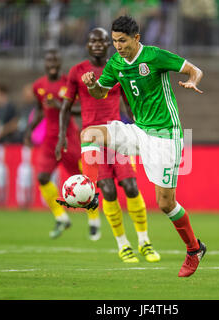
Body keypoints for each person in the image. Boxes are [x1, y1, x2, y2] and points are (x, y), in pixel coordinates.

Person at [59, 16, 207, 277]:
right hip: (139, 131)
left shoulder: (155, 56)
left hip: (165, 135)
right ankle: (89, 189)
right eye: (115, 41)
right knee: (90, 133)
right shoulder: (115, 62)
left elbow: (193, 70)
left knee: (165, 203)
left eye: (122, 41)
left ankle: (194, 249)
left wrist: (193, 80)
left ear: (136, 38)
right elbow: (101, 92)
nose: (117, 46)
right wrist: (93, 86)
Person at [57, 27, 160, 263]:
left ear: (108, 44)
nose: (97, 45)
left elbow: (129, 101)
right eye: (93, 41)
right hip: (92, 141)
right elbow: (66, 106)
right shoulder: (77, 72)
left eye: (102, 41)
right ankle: (123, 245)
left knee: (131, 186)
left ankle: (144, 241)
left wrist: (141, 128)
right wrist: (62, 136)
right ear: (87, 45)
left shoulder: (118, 66)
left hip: (117, 136)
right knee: (109, 191)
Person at [24, 48, 101, 240]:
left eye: (55, 61)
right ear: (45, 63)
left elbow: (82, 109)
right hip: (50, 140)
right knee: (42, 177)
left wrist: (61, 107)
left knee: (85, 180)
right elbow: (40, 110)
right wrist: (29, 129)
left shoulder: (69, 83)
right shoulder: (38, 86)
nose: (52, 64)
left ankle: (93, 220)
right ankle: (61, 218)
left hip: (69, 138)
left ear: (59, 63)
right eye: (49, 60)